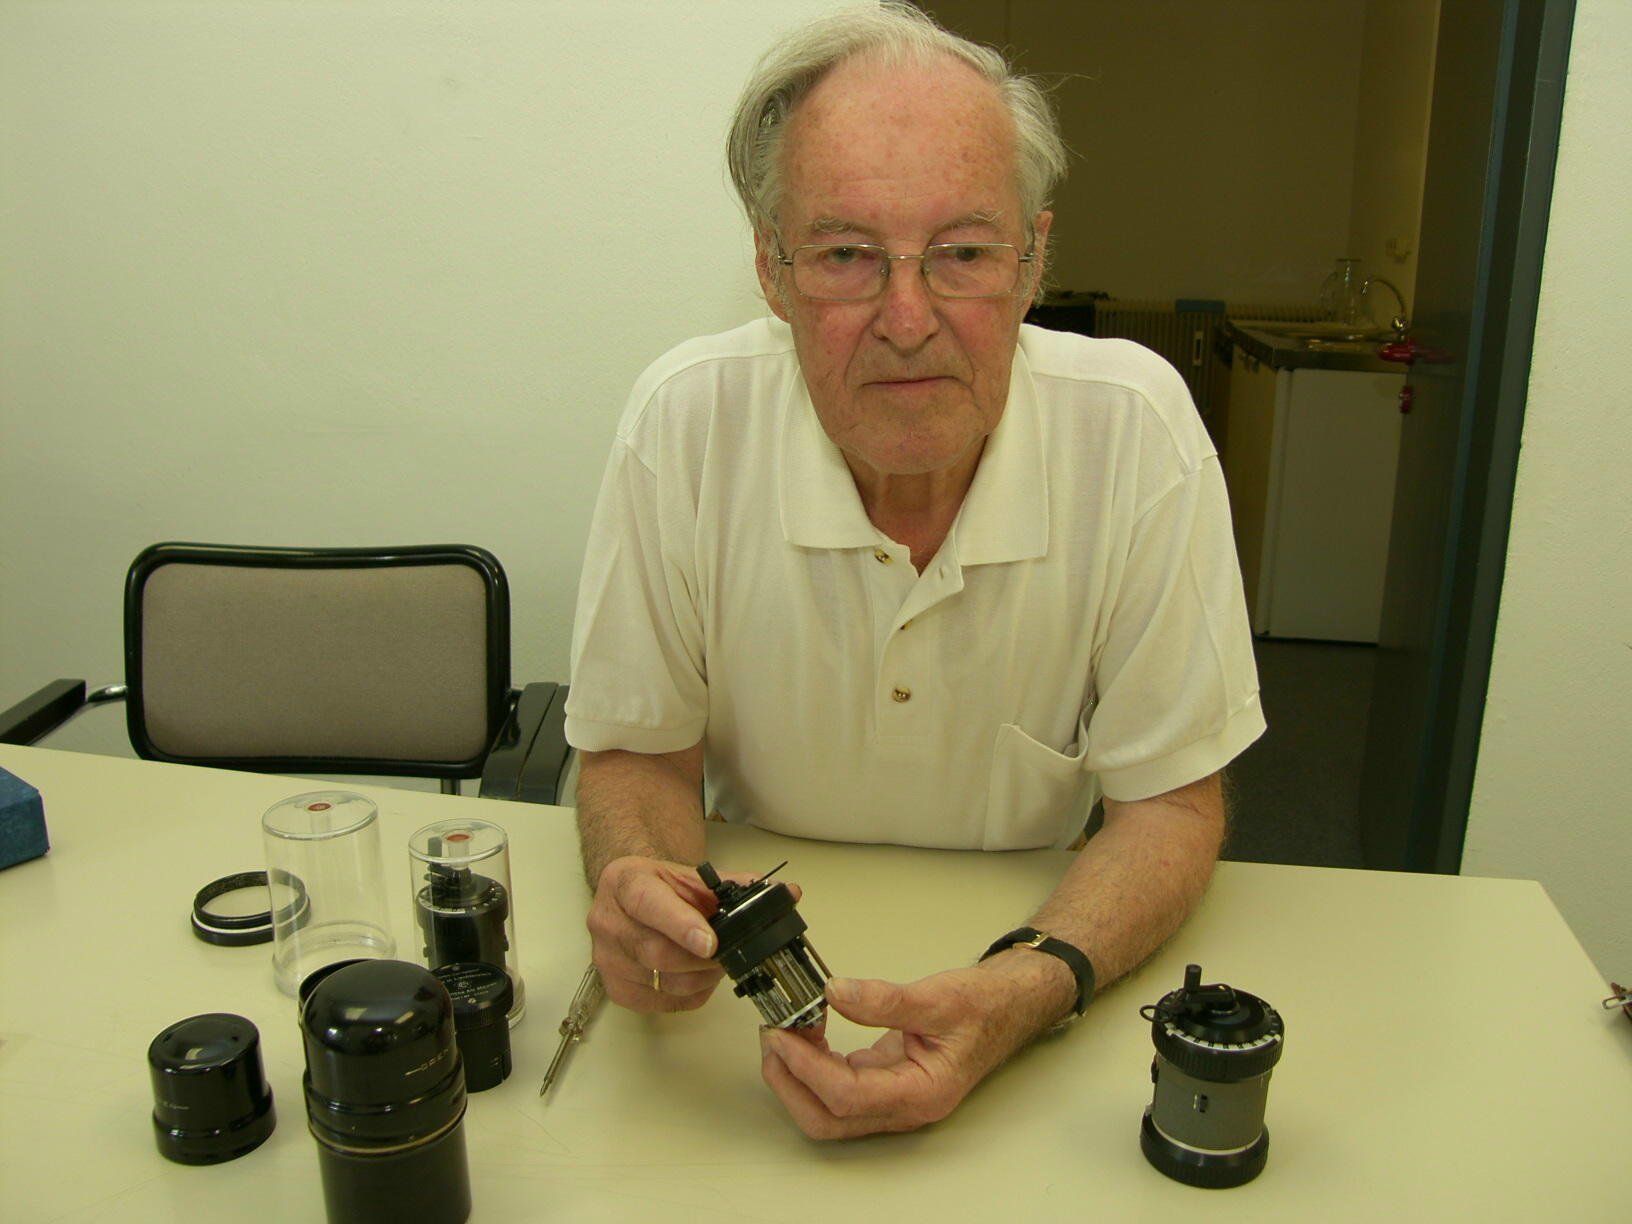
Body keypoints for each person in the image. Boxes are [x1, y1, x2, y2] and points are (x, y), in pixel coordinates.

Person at [563, 3, 1264, 1140]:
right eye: (846, 254)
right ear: (771, 268)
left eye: (965, 254)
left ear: (1034, 261)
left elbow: (1172, 804)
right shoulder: (683, 424)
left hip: (1036, 943)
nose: (906, 318)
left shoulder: (1137, 433)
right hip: (737, 1018)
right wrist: (647, 887)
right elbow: (637, 752)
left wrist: (1024, 993)